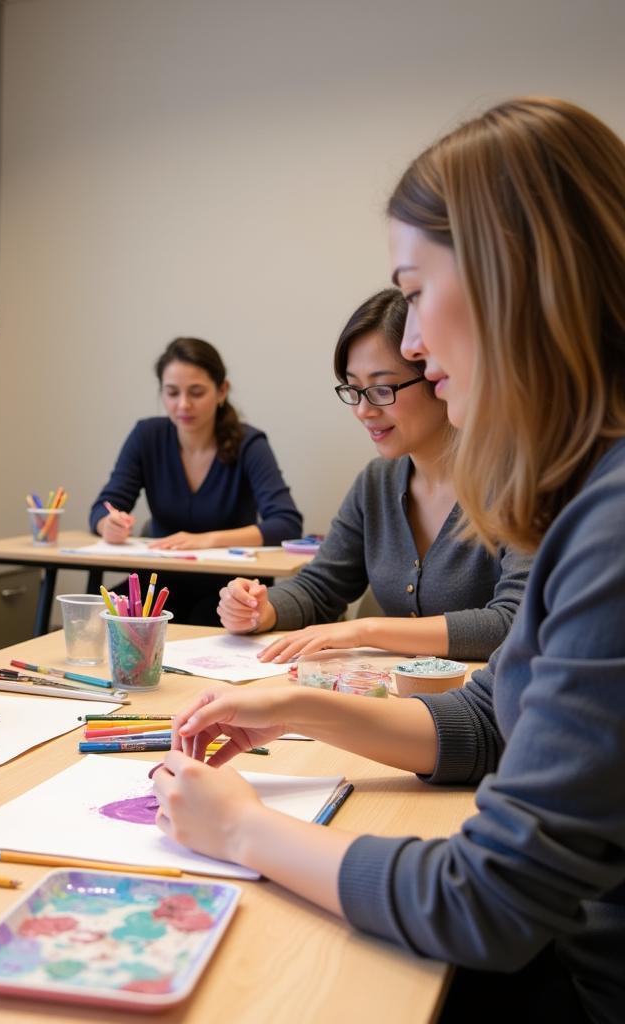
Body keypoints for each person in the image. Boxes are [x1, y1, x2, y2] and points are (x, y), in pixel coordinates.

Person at [152, 98, 625, 1022]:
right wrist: (295, 703)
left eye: (414, 292)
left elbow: (485, 901)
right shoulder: (582, 487)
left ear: (508, 279)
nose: (410, 341)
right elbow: (496, 721)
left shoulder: (608, 514)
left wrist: (246, 827)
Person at [217, 289, 530, 662]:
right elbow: (321, 587)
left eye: (382, 388)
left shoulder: (515, 481)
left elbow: (514, 621)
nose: (364, 410)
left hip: (487, 709)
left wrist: (365, 630)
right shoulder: (377, 481)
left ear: (438, 376)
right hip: (399, 702)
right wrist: (260, 608)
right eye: (354, 388)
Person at [89, 336, 303, 624]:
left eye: (197, 392)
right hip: (161, 584)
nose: (183, 405)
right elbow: (103, 508)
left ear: (221, 391)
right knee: (95, 620)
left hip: (231, 590)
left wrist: (206, 540)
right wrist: (109, 525)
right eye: (172, 392)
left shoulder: (249, 443)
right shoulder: (146, 436)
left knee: (203, 623)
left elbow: (286, 523)